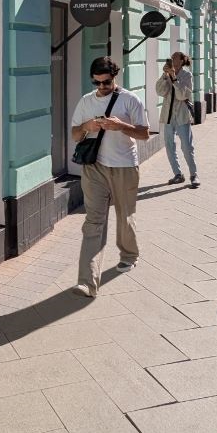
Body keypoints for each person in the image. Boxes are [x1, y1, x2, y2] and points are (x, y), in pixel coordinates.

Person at [69, 57, 151, 298]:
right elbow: (75, 134)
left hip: (124, 166)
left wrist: (120, 126)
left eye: (106, 82)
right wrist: (86, 126)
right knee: (93, 222)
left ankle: (129, 254)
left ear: (115, 77)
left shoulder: (130, 99)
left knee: (125, 216)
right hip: (94, 167)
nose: (102, 87)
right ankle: (87, 281)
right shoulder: (86, 101)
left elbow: (144, 134)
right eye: (97, 82)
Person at [156, 52, 199, 188]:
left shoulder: (187, 75)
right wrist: (165, 76)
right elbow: (160, 92)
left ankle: (194, 175)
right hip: (168, 116)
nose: (172, 59)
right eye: (171, 57)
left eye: (175, 57)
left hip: (182, 116)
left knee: (187, 146)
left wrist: (174, 78)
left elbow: (182, 96)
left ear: (181, 61)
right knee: (169, 146)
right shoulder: (166, 74)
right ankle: (178, 174)